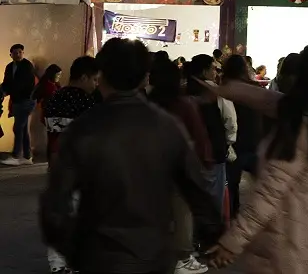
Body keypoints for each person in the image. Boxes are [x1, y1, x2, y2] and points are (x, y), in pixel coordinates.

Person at [40, 38, 221, 274]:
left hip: (100, 254)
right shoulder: (166, 126)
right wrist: (215, 239)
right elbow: (197, 188)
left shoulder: (84, 128)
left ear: (102, 75)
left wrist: (73, 250)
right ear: (143, 77)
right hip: (152, 253)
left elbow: (56, 200)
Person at [204, 43, 308, 274]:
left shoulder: (302, 133)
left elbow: (268, 194)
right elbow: (268, 100)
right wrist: (225, 90)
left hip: (295, 249)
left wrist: (231, 243)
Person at [148, 53, 215, 274]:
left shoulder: (147, 103)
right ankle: (183, 258)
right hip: (180, 167)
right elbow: (199, 134)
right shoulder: (183, 104)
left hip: (151, 166)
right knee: (183, 212)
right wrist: (205, 162)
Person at [41, 56, 99, 274]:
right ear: (83, 77)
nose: (95, 84)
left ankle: (57, 265)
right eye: (94, 79)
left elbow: (51, 131)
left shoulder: (55, 97)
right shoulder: (88, 102)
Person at [189, 54, 237, 213]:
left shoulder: (182, 90)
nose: (216, 72)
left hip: (190, 152)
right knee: (214, 194)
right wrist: (228, 142)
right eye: (213, 68)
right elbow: (230, 120)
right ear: (204, 71)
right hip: (214, 149)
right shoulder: (217, 92)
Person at [221, 55, 263, 219]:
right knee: (262, 184)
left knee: (231, 184)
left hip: (234, 143)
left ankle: (232, 217)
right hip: (254, 141)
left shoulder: (225, 89)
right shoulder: (254, 88)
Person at [2, 43, 37, 165]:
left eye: (20, 52)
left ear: (23, 53)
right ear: (11, 55)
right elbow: (6, 83)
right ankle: (27, 156)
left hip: (27, 101)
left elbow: (24, 85)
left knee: (18, 128)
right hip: (17, 101)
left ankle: (16, 155)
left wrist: (8, 91)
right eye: (15, 53)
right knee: (22, 128)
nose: (18, 54)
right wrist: (2, 91)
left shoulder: (27, 66)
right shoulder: (9, 67)